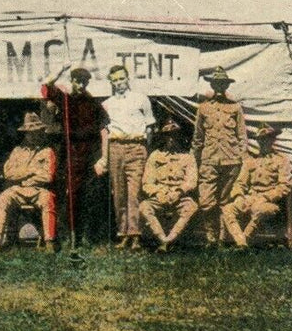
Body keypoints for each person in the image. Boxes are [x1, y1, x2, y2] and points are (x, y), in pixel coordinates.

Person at [41, 65, 107, 245]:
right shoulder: (65, 101)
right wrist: (61, 69)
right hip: (69, 153)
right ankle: (68, 236)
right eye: (77, 81)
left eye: (84, 81)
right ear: (72, 81)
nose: (81, 85)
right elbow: (46, 86)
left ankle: (87, 236)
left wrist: (102, 158)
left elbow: (103, 130)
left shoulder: (94, 104)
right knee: (69, 195)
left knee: (90, 195)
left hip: (89, 154)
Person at [95, 63, 155, 250]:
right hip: (116, 149)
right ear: (111, 83)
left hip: (136, 147)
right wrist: (105, 156)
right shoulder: (107, 104)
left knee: (134, 193)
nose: (119, 83)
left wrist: (144, 148)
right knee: (119, 194)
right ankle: (123, 234)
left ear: (128, 79)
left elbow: (150, 126)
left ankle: (135, 234)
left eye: (122, 78)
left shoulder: (141, 99)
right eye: (115, 80)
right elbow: (105, 132)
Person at [192, 65, 248, 247]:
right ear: (212, 85)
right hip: (209, 160)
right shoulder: (203, 108)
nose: (219, 88)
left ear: (226, 86)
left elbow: (242, 136)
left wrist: (241, 158)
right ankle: (210, 236)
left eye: (222, 84)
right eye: (216, 84)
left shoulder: (235, 108)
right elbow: (198, 138)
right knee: (207, 201)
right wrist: (196, 161)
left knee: (225, 201)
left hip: (231, 160)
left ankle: (222, 238)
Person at [0, 113, 58, 254]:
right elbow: (8, 173)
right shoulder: (17, 151)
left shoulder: (48, 151)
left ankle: (49, 241)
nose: (33, 136)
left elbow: (48, 176)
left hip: (39, 190)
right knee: (3, 198)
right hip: (17, 189)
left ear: (41, 132)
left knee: (47, 200)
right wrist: (31, 171)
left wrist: (24, 177)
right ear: (25, 134)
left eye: (36, 132)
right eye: (30, 133)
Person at [225, 126, 292, 249]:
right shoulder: (251, 161)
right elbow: (240, 183)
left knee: (260, 209)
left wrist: (266, 197)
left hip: (270, 201)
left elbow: (285, 186)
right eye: (260, 140)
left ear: (273, 140)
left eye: (267, 139)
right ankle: (241, 243)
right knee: (228, 209)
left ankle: (244, 240)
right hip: (250, 198)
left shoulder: (281, 160)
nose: (263, 142)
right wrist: (239, 196)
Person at [139, 116, 199, 252]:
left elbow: (191, 180)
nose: (171, 139)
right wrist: (158, 192)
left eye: (175, 135)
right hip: (159, 196)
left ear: (180, 136)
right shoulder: (155, 156)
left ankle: (170, 239)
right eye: (168, 136)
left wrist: (179, 192)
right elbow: (147, 182)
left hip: (180, 197)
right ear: (163, 137)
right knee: (144, 207)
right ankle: (162, 238)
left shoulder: (188, 157)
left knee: (191, 207)